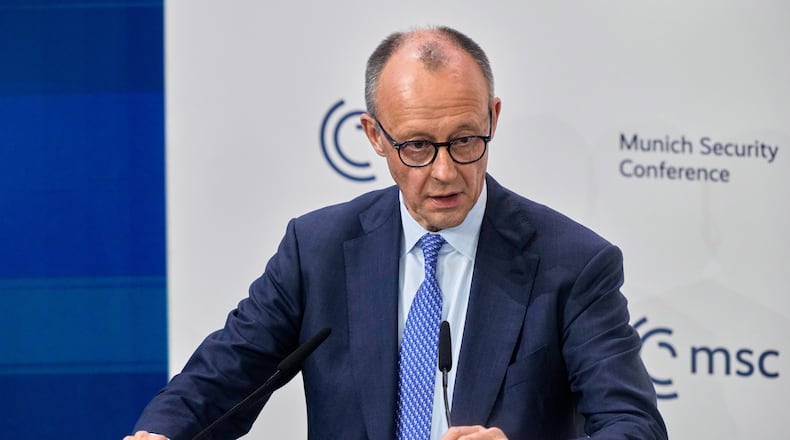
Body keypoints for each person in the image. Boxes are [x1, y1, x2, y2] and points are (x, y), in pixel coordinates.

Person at [126, 26, 667, 440]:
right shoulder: (317, 251)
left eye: (465, 140)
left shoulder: (572, 264)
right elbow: (221, 379)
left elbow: (632, 423)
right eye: (416, 147)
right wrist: (163, 433)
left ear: (493, 118)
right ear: (373, 136)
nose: (445, 172)